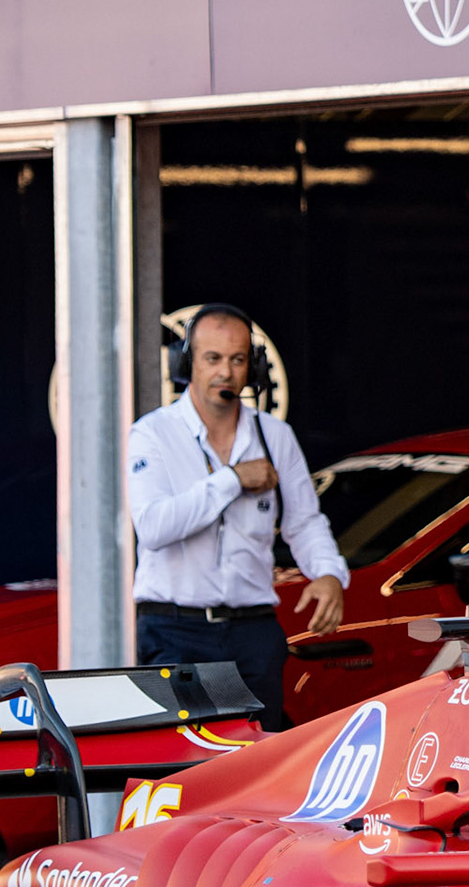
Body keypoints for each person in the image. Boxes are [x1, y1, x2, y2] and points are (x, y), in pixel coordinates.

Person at [128, 303, 347, 727]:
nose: (225, 372)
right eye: (212, 359)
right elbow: (154, 527)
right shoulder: (152, 433)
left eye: (237, 360)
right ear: (187, 363)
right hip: (176, 631)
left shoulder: (275, 435)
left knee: (253, 766)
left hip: (252, 633)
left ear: (253, 368)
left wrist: (328, 573)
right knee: (179, 767)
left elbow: (304, 521)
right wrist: (232, 480)